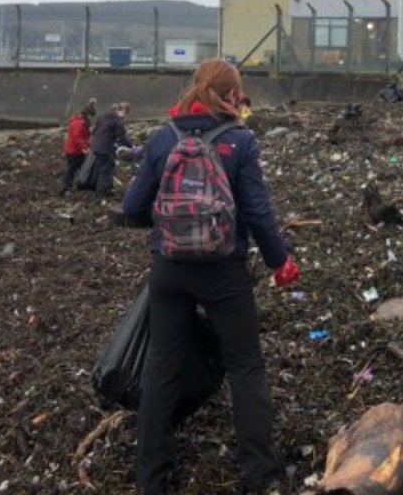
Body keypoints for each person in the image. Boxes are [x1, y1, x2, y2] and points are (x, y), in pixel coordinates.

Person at [121, 58, 299, 495]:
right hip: (224, 272)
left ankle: (152, 478)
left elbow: (131, 207)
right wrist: (280, 261)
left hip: (169, 270)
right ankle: (262, 476)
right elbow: (257, 211)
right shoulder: (240, 141)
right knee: (245, 366)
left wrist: (167, 229)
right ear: (232, 94)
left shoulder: (163, 138)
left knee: (161, 365)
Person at [89, 101, 132, 196]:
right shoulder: (117, 121)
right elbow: (122, 137)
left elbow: (94, 131)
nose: (125, 117)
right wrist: (131, 146)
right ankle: (102, 192)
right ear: (123, 111)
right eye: (126, 113)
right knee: (106, 169)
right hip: (105, 148)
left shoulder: (103, 116)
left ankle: (101, 188)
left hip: (95, 146)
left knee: (101, 167)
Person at [60, 99, 96, 195]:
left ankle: (81, 184)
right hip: (74, 151)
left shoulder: (80, 122)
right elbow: (77, 138)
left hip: (77, 150)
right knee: (71, 169)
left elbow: (83, 137)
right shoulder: (79, 124)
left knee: (81, 167)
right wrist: (85, 148)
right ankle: (66, 187)